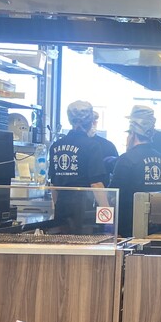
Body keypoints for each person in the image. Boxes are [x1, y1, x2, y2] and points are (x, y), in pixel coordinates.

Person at [48, 99, 108, 232]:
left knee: (63, 242)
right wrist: (107, 216)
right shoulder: (92, 146)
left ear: (70, 120)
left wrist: (57, 208)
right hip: (83, 211)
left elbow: (53, 185)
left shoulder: (56, 146)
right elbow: (96, 184)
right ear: (90, 122)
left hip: (61, 209)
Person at [109, 113, 161, 237]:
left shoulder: (126, 159)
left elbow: (114, 194)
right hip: (156, 227)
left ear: (133, 134)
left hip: (129, 228)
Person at [89, 111, 119, 180]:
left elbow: (117, 173)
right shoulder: (72, 145)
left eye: (94, 122)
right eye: (89, 122)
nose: (92, 124)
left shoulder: (108, 146)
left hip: (101, 186)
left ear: (96, 123)